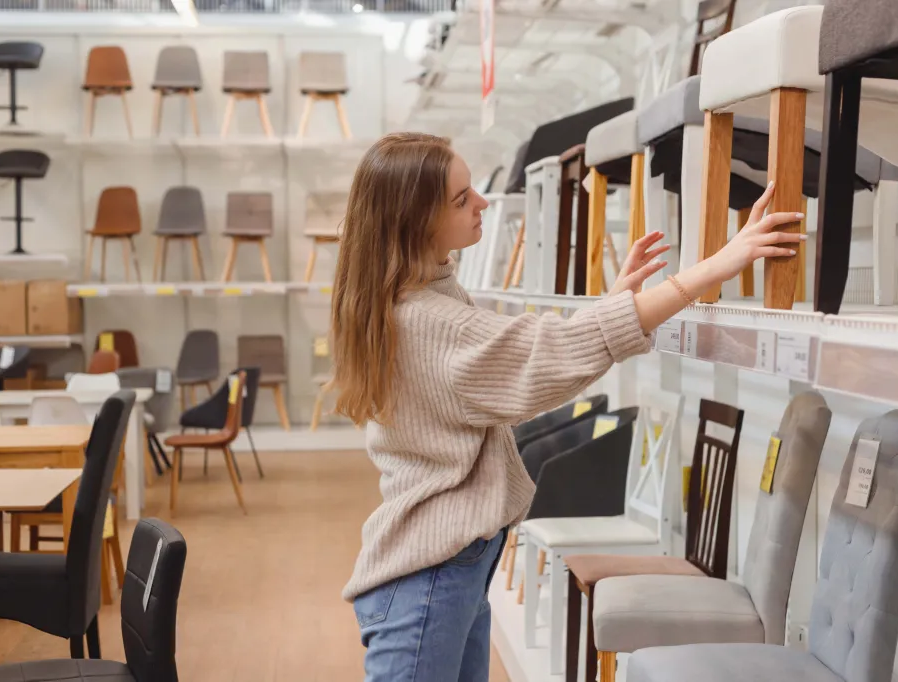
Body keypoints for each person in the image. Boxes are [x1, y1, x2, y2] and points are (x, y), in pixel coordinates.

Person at [330, 132, 804, 682]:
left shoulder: (419, 292)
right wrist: (712, 269)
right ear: (415, 225)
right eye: (462, 200)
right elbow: (540, 355)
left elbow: (521, 352)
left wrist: (615, 305)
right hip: (428, 581)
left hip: (448, 570)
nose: (484, 202)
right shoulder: (430, 323)